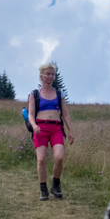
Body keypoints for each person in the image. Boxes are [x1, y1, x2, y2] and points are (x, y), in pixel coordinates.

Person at [28, 62, 74, 201]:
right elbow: (30, 114)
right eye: (47, 74)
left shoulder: (59, 94)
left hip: (56, 128)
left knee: (59, 157)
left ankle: (56, 184)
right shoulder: (34, 94)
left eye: (52, 74)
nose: (50, 76)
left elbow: (65, 114)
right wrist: (34, 125)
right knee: (41, 160)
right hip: (40, 128)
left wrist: (70, 130)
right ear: (41, 76)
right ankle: (43, 188)